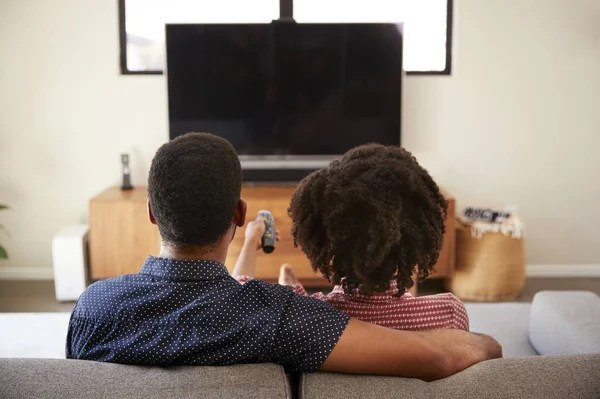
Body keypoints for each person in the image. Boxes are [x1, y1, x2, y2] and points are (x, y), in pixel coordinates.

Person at [66, 132, 501, 381]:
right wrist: (486, 342)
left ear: (151, 214)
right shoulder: (278, 317)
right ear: (239, 213)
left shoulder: (92, 307)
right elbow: (442, 356)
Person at [260, 144, 469, 331]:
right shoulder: (450, 313)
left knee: (292, 297)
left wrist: (291, 294)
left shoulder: (310, 319)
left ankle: (289, 286)